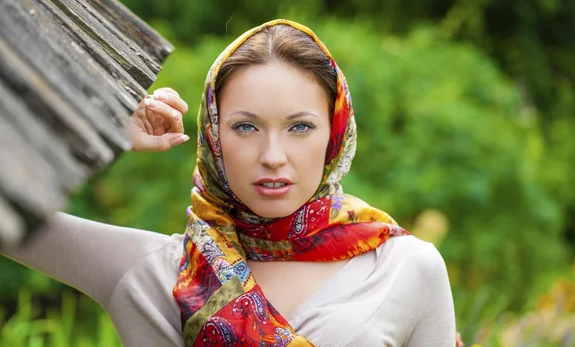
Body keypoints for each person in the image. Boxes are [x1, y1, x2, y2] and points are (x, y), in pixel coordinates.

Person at [2, 19, 457, 346]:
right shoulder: (148, 273)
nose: (273, 157)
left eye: (300, 127)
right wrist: (92, 130)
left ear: (334, 135)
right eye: (245, 127)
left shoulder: (405, 268)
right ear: (213, 135)